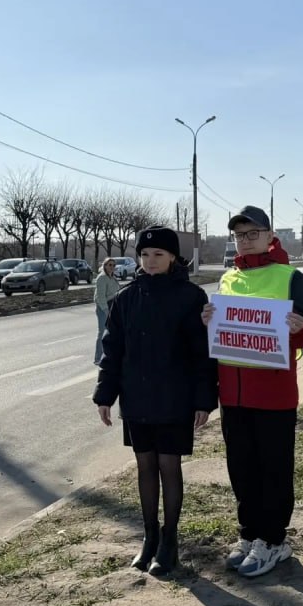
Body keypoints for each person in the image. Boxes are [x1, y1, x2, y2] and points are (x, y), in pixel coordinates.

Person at [94, 227, 217, 578]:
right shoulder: (125, 299)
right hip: (137, 399)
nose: (150, 262)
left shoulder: (191, 298)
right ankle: (149, 537)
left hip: (174, 400)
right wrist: (105, 395)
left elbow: (201, 355)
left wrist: (203, 400)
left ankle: (170, 541)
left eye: (158, 255)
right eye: (144, 255)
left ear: (173, 258)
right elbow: (112, 351)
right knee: (144, 466)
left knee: (168, 466)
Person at [201, 205, 303, 579]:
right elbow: (221, 331)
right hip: (232, 393)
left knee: (274, 469)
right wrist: (209, 321)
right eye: (239, 235)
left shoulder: (289, 277)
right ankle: (249, 534)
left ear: (269, 236)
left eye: (252, 234)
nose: (245, 240)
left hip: (273, 393)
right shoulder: (229, 279)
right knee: (241, 468)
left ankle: (274, 540)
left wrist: (299, 326)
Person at [93, 257, 119, 364]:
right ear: (104, 265)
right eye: (109, 265)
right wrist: (106, 310)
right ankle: (98, 358)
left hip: (113, 306)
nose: (112, 267)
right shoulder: (102, 278)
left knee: (112, 332)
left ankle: (109, 356)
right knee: (102, 332)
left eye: (113, 265)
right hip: (103, 307)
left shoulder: (112, 277)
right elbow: (100, 297)